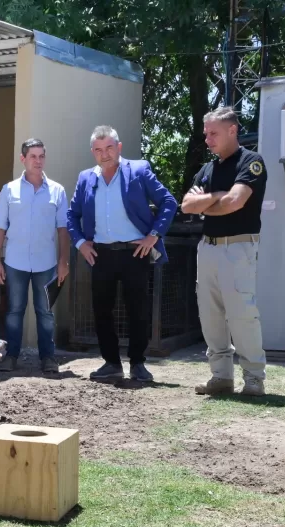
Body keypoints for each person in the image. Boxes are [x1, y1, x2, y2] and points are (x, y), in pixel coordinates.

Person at [68, 125, 178, 382]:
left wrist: (154, 235)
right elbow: (72, 215)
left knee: (138, 310)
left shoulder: (139, 170)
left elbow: (168, 202)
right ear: (93, 152)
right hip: (100, 254)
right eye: (98, 149)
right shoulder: (86, 178)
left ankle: (138, 363)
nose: (104, 154)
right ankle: (111, 363)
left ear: (118, 147)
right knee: (101, 311)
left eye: (109, 147)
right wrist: (80, 243)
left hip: (135, 253)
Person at [181, 107, 267, 396]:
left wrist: (207, 202)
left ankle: (253, 378)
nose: (207, 140)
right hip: (207, 248)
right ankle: (221, 377)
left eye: (213, 133)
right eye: (206, 134)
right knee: (210, 316)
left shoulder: (251, 162)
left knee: (242, 314)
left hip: (238, 247)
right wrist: (218, 195)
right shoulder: (207, 169)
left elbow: (235, 202)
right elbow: (186, 205)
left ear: (232, 130)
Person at [0, 138, 70, 373]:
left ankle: (48, 358)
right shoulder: (9, 190)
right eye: (33, 156)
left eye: (41, 156)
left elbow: (63, 229)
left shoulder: (57, 191)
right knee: (14, 311)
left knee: (45, 312)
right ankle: (11, 356)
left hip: (46, 263)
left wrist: (63, 261)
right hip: (15, 262)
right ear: (23, 159)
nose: (38, 161)